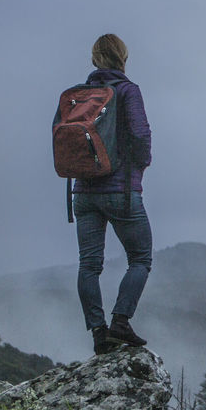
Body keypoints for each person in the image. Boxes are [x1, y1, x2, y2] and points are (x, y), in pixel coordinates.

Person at [73, 33, 154, 356]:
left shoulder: (80, 95)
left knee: (89, 265)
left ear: (95, 59)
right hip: (121, 191)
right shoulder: (127, 91)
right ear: (123, 58)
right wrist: (141, 165)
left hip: (84, 192)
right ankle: (120, 320)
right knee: (140, 258)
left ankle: (98, 333)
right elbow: (140, 133)